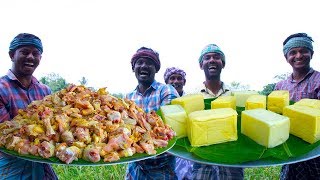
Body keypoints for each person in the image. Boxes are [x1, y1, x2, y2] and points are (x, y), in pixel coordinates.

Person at [0, 33, 58, 179]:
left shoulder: (45, 91)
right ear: (12, 55)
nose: (31, 57)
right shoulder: (2, 88)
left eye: (35, 53)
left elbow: (53, 128)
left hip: (42, 165)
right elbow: (5, 135)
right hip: (9, 166)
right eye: (25, 52)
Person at [125, 47, 179, 179]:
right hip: (135, 168)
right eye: (140, 62)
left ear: (156, 68)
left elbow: (168, 129)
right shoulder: (128, 97)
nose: (144, 65)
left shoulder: (166, 91)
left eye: (149, 63)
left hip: (162, 169)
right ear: (134, 68)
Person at [194, 44, 244, 180]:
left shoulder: (235, 95)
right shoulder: (193, 96)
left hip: (231, 159)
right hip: (201, 160)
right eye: (207, 58)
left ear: (223, 64)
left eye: (217, 57)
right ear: (201, 64)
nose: (212, 60)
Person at [274, 33, 320, 179]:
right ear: (286, 57)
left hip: (315, 151)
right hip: (289, 150)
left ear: (311, 53)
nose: (298, 56)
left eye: (303, 51)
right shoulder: (280, 86)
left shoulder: (318, 80)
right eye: (293, 52)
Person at [164, 67, 194, 180]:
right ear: (166, 82)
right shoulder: (165, 102)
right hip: (170, 151)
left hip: (188, 151)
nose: (176, 81)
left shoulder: (191, 99)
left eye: (179, 78)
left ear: (184, 82)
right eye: (172, 78)